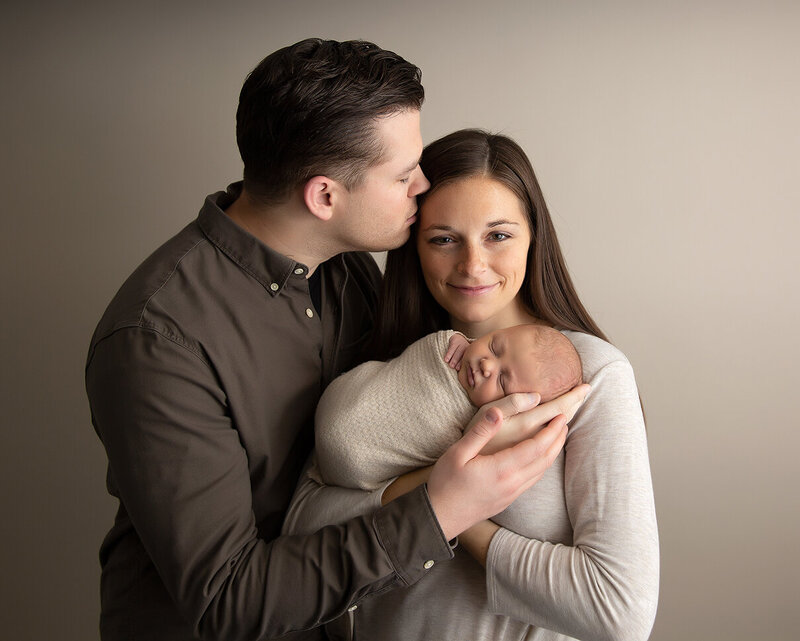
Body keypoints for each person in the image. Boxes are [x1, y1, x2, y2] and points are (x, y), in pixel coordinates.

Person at [84, 40, 588, 641]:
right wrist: (442, 509)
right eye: (404, 175)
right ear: (324, 196)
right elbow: (227, 601)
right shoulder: (157, 339)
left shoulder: (349, 272)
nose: (423, 185)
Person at [283, 129, 660, 641]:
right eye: (443, 239)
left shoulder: (592, 377)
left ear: (534, 236)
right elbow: (301, 529)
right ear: (414, 247)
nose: (472, 265)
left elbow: (619, 613)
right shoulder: (395, 366)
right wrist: (440, 490)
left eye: (498, 235)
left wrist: (457, 510)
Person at [314, 324, 582, 491]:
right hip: (340, 399)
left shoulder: (483, 425)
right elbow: (429, 351)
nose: (487, 364)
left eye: (502, 381)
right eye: (494, 346)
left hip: (356, 465)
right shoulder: (454, 349)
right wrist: (456, 338)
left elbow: (469, 449)